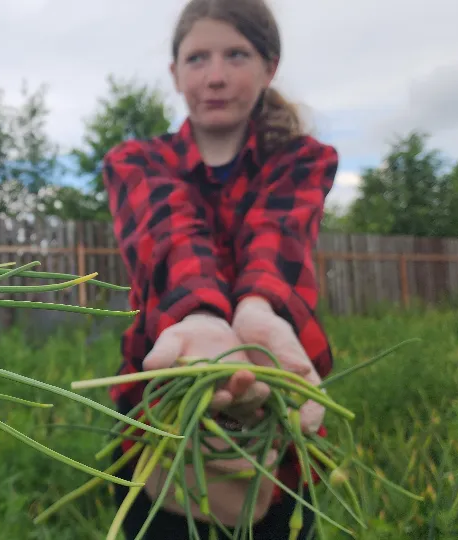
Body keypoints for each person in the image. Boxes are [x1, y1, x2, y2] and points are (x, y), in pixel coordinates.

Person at [100, 0, 339, 538]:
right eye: (197, 58)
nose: (215, 77)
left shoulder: (303, 159)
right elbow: (171, 234)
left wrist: (255, 310)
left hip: (275, 414)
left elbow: (276, 237)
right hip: (163, 417)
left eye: (236, 55)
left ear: (269, 66)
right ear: (175, 73)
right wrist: (204, 315)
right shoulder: (135, 161)